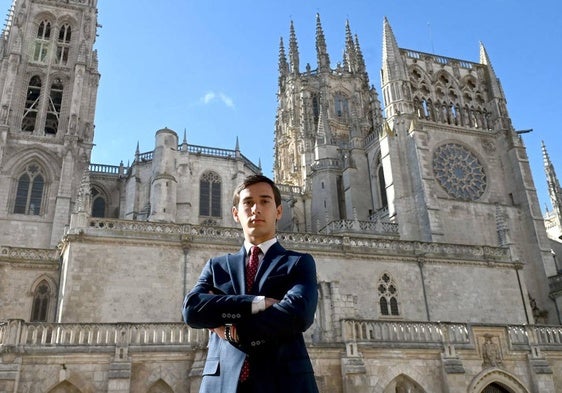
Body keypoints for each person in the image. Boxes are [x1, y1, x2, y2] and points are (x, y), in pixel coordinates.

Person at [183, 174, 319, 393]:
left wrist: (227, 329)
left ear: (279, 211)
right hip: (220, 384)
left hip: (284, 384)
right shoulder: (216, 266)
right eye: (248, 202)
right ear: (236, 214)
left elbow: (298, 314)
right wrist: (257, 303)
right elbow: (192, 311)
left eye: (265, 201)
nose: (256, 209)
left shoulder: (299, 263)